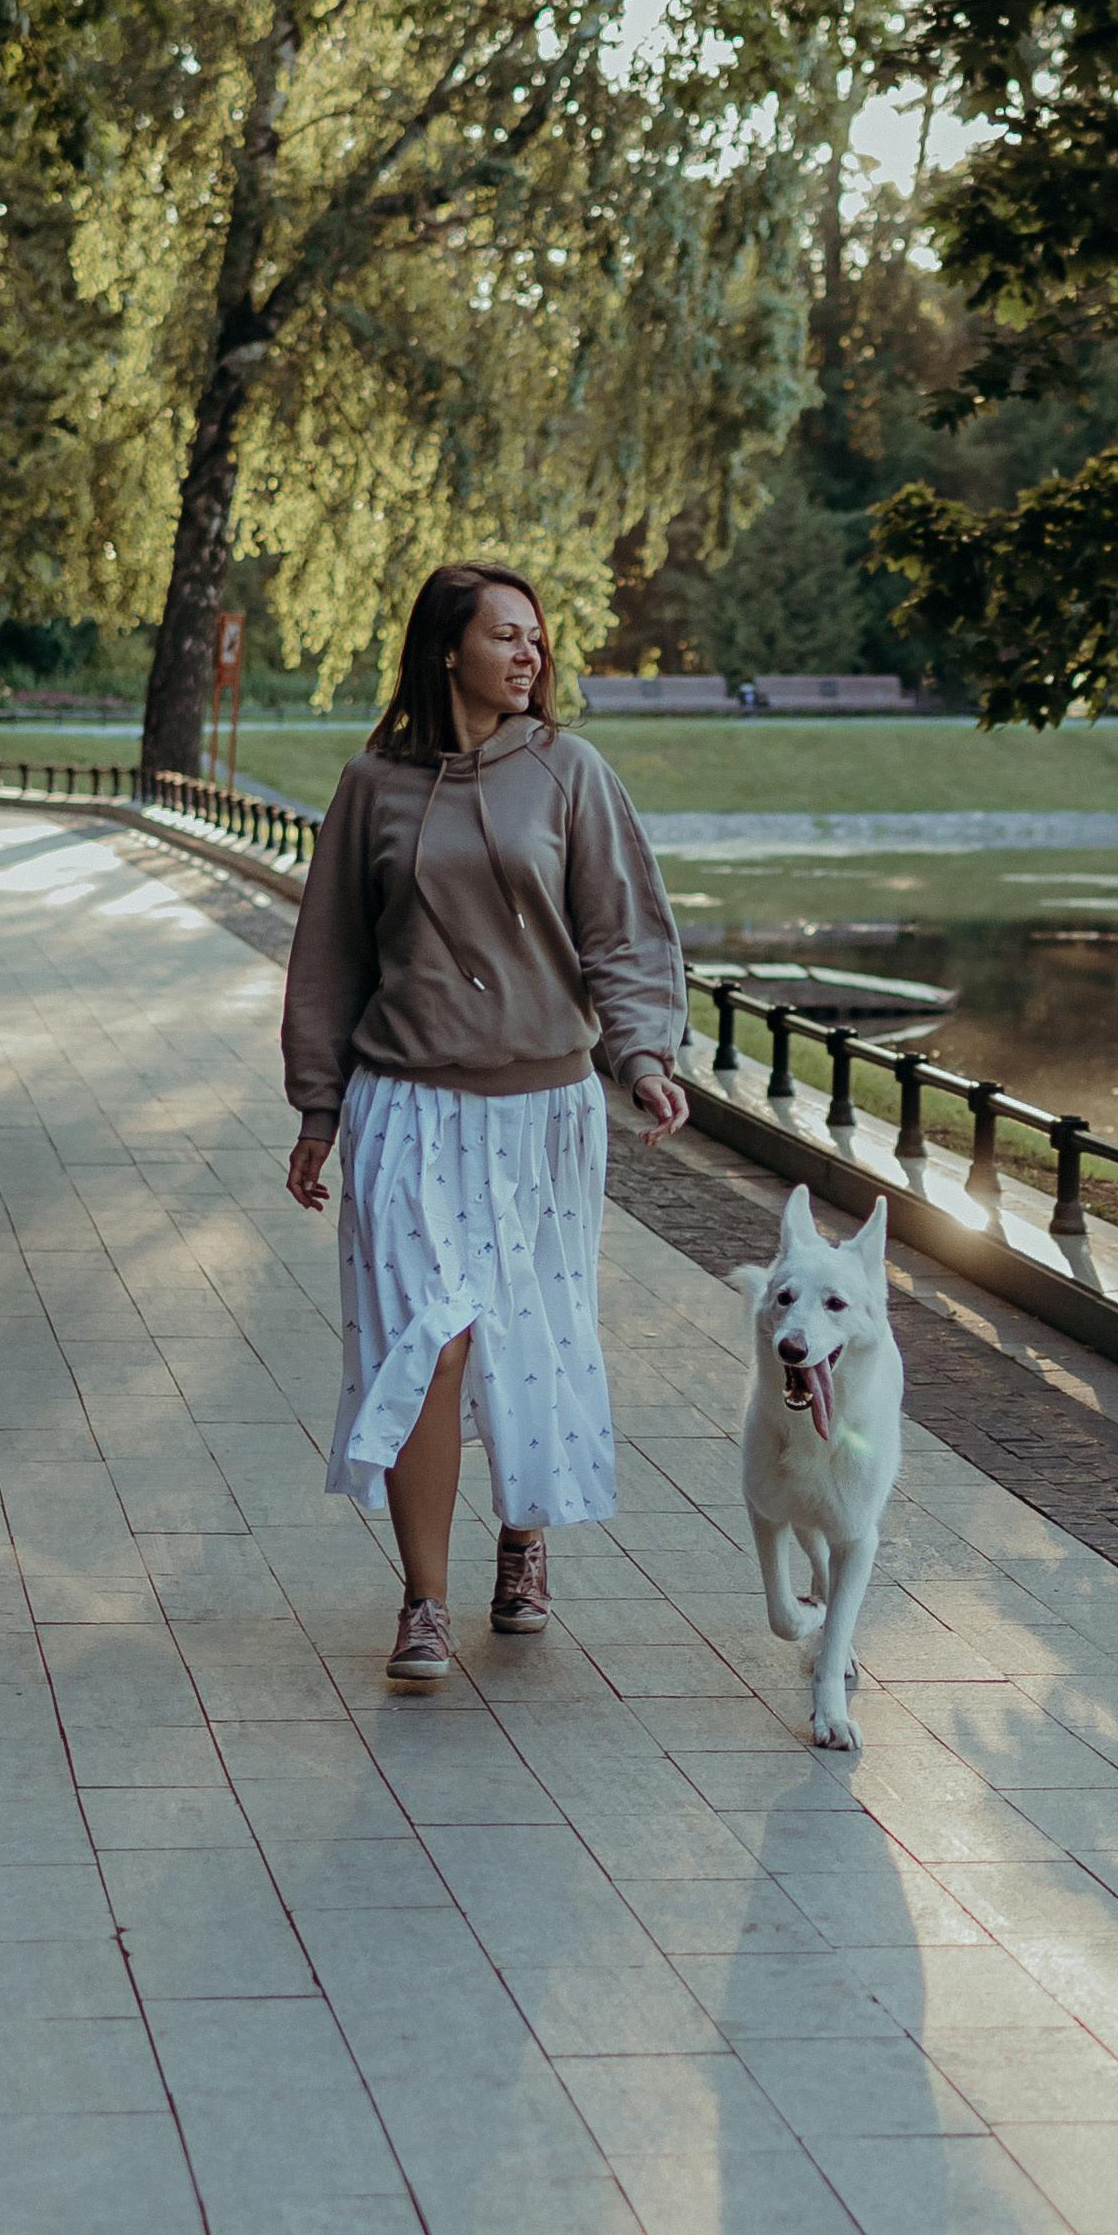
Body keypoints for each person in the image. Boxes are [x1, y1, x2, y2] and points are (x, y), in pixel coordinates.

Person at [281, 563, 690, 1688]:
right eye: (506, 636)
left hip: (543, 1111)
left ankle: (525, 1538)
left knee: (526, 1335)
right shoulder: (372, 784)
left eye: (539, 640)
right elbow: (330, 958)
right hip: (406, 1107)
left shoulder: (570, 773)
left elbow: (624, 933)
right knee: (433, 1340)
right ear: (446, 648)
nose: (531, 656)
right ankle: (422, 1600)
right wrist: (318, 1105)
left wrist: (643, 1055)